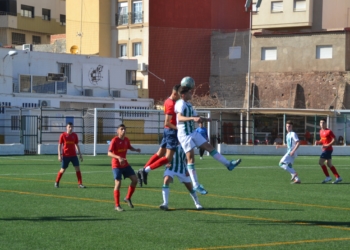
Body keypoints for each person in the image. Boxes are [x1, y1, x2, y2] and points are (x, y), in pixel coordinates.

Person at [175, 85, 241, 195]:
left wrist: (205, 119)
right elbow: (179, 118)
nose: (191, 94)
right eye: (189, 92)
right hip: (184, 135)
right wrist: (192, 118)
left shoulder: (189, 104)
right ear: (183, 95)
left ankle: (228, 164)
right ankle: (196, 185)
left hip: (193, 132)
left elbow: (196, 117)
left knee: (209, 147)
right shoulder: (180, 103)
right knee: (191, 159)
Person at [137, 84, 181, 187]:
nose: (180, 97)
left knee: (160, 153)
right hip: (171, 131)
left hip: (167, 131)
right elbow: (167, 122)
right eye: (179, 95)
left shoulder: (168, 101)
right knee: (168, 158)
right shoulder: (171, 104)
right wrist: (178, 128)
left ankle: (142, 171)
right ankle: (146, 170)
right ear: (174, 93)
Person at [108, 124, 141, 211]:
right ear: (117, 131)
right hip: (116, 166)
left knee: (135, 180)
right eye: (122, 129)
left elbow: (129, 147)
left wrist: (135, 149)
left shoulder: (126, 140)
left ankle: (127, 198)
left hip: (125, 164)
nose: (123, 131)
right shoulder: (114, 140)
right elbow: (109, 153)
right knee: (118, 184)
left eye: (124, 129)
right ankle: (117, 205)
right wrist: (118, 157)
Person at [160, 144, 203, 211]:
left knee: (189, 186)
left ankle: (197, 203)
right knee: (166, 180)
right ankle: (165, 203)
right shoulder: (169, 142)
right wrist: (166, 163)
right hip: (170, 167)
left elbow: (188, 158)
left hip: (182, 168)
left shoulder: (185, 143)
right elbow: (162, 154)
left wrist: (189, 169)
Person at [55, 122, 85, 188]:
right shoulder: (63, 135)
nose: (71, 128)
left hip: (74, 156)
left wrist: (80, 154)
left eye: (71, 127)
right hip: (66, 156)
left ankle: (80, 184)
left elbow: (76, 145)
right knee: (62, 169)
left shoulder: (75, 135)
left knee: (77, 169)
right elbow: (59, 145)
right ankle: (57, 182)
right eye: (69, 127)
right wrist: (59, 155)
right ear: (66, 127)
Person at [315, 118, 342, 184]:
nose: (322, 124)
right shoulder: (321, 131)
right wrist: (319, 142)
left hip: (328, 150)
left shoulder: (329, 131)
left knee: (320, 162)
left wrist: (327, 145)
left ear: (326, 123)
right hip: (325, 149)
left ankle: (328, 177)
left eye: (323, 122)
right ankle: (338, 177)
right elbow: (322, 139)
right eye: (321, 123)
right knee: (329, 164)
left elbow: (334, 139)